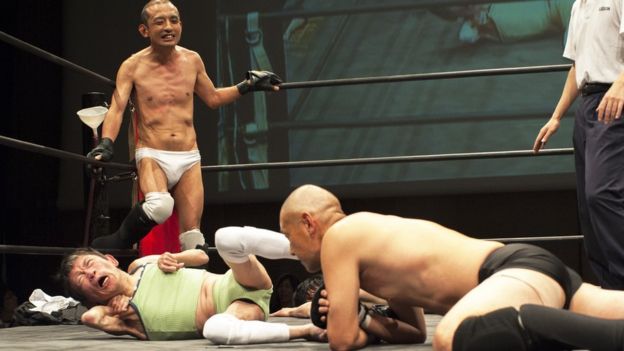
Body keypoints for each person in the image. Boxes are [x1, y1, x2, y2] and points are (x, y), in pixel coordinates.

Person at [279, 184, 624, 351]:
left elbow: (340, 341)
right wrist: (365, 316)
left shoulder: (339, 236)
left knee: (451, 336)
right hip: (526, 274)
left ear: (309, 223)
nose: (291, 249)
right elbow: (414, 332)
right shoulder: (372, 250)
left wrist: (352, 322)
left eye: (288, 235)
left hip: (509, 275)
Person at [87, 0, 282, 251]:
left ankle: (192, 286)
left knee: (193, 238)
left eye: (174, 20)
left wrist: (247, 86)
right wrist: (106, 143)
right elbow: (117, 107)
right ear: (144, 31)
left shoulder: (192, 60)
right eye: (160, 22)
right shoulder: (132, 66)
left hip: (189, 155)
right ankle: (119, 242)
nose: (169, 27)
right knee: (159, 206)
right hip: (152, 154)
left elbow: (212, 98)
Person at [57, 226, 325, 343]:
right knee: (215, 329)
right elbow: (91, 317)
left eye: (89, 265)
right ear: (88, 296)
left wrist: (174, 257)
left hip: (237, 281)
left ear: (110, 259)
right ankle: (306, 331)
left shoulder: (139, 265)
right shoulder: (118, 315)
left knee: (227, 237)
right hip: (238, 309)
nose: (89, 274)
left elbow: (202, 256)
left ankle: (319, 252)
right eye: (82, 279)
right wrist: (109, 306)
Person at [533, 0, 624, 289]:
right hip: (587, 105)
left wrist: (620, 87)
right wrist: (556, 116)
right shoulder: (577, 6)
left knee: (602, 194)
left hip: (614, 99)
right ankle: (611, 291)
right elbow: (577, 67)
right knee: (587, 205)